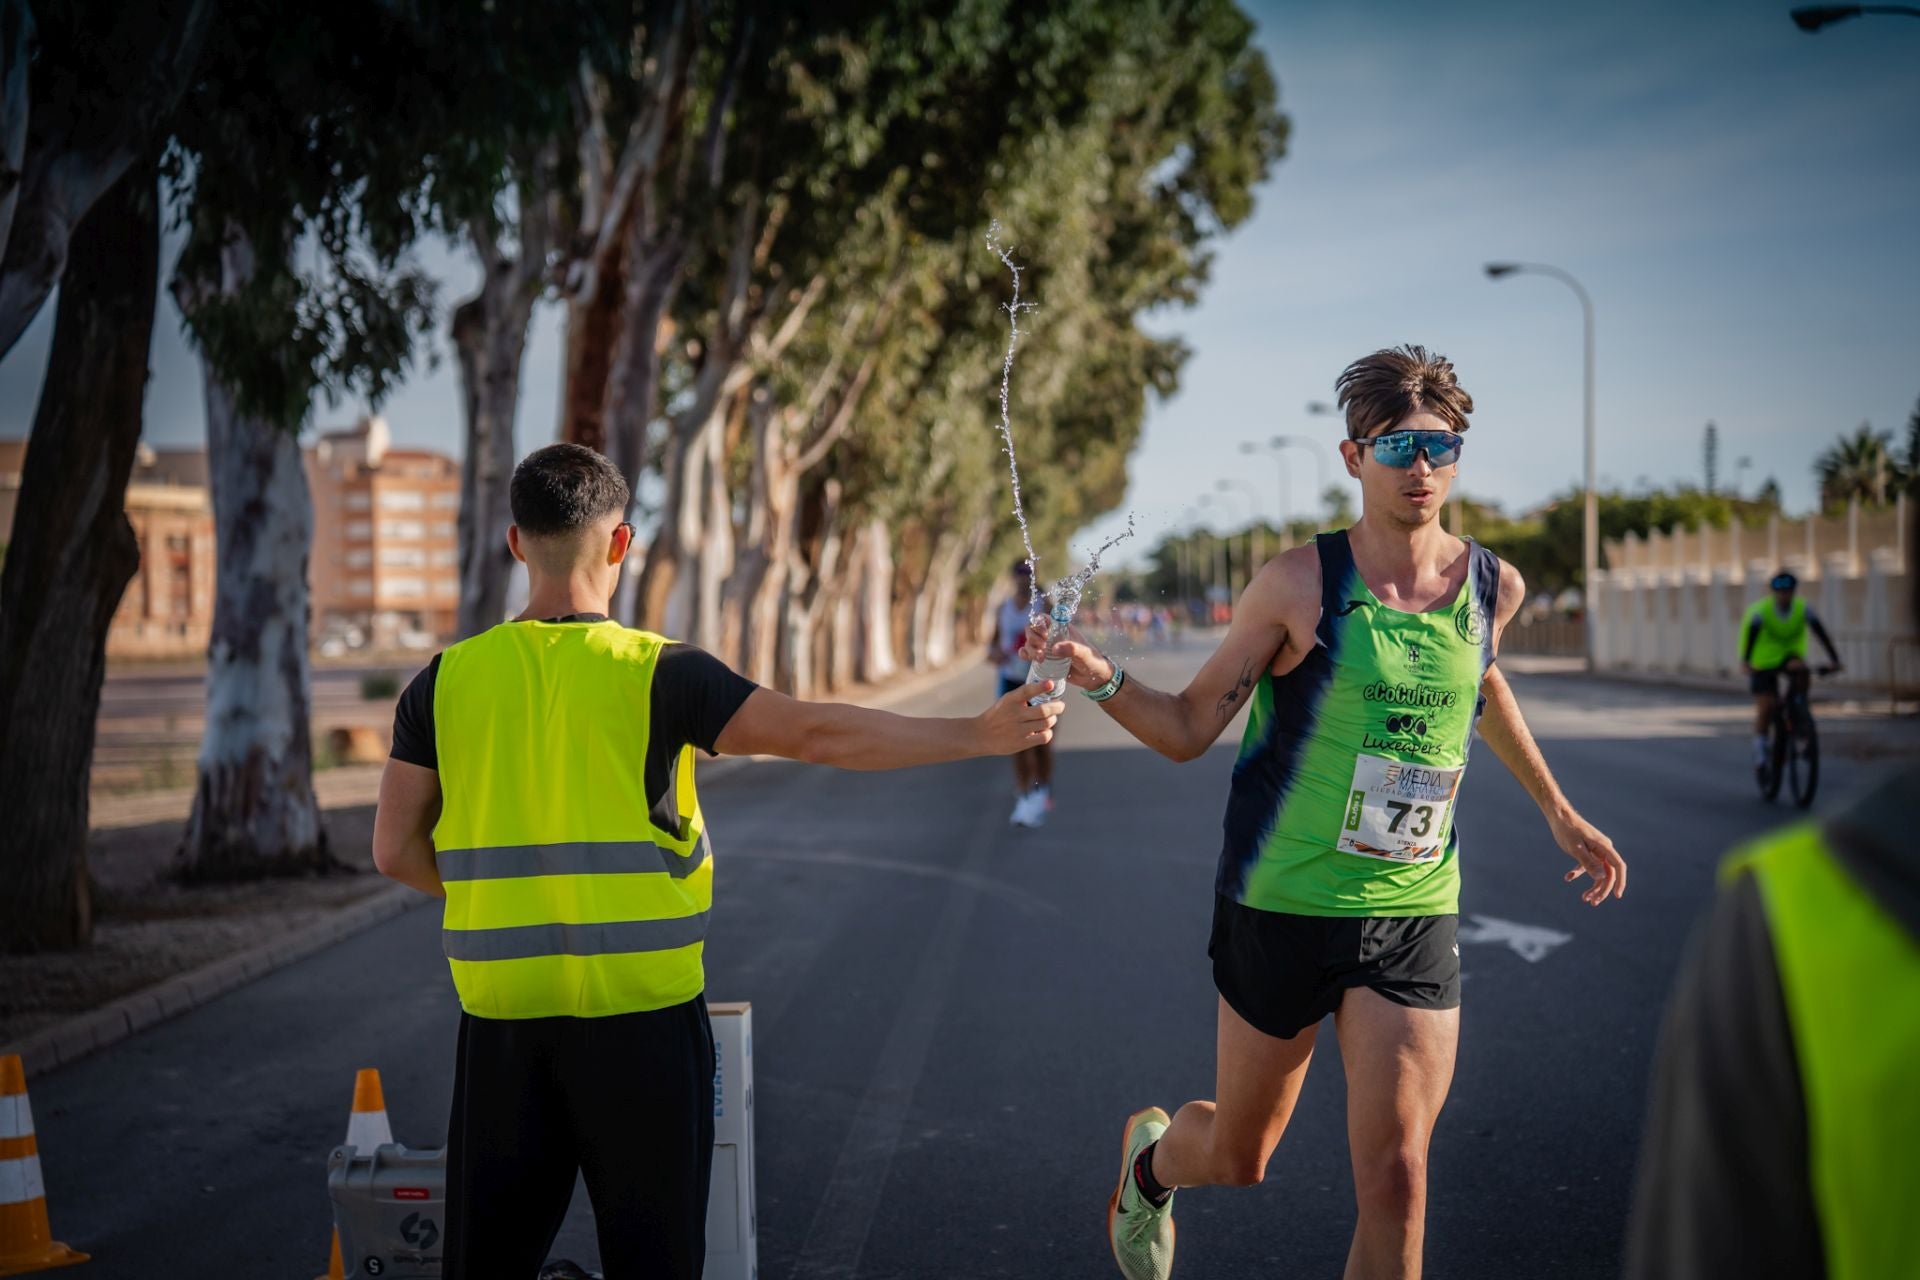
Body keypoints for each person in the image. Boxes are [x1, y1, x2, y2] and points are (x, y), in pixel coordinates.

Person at [371, 443, 1062, 1279]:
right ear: (621, 544)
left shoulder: (441, 684)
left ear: (517, 544)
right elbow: (817, 733)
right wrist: (978, 734)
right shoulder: (663, 675)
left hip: (503, 1033)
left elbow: (394, 849)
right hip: (647, 1031)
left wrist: (501, 899)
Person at [1026, 345, 1628, 1280]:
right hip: (1284, 902)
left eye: (1439, 445)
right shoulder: (1299, 587)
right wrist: (1102, 677)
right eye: (1397, 448)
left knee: (1399, 1176)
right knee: (1241, 1156)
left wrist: (1557, 808)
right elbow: (1189, 728)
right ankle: (1151, 1166)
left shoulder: (1489, 587)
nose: (1421, 467)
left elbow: (1482, 684)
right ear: (1354, 459)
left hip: (1412, 908)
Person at [1626, 519, 1919, 1279]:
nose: (1787, 594)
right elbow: (1751, 648)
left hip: (1791, 665)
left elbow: (1821, 645)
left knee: (1800, 699)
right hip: (1762, 668)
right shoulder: (1761, 617)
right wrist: (1763, 674)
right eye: (1782, 588)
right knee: (1769, 710)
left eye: (1792, 590)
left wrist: (1817, 668)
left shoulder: (1801, 614)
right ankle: (1766, 744)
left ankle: (1792, 729)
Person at [1740, 570, 1842, 769]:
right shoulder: (1762, 611)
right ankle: (1760, 746)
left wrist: (1834, 660)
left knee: (1802, 673)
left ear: (1794, 592)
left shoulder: (1802, 609)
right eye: (1780, 592)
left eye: (1788, 592)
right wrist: (1746, 662)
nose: (1784, 596)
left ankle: (1799, 712)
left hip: (1789, 657)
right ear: (1774, 592)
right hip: (1762, 659)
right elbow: (1750, 637)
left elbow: (1820, 633)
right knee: (1766, 706)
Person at [990, 559, 1055, 827]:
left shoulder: (1044, 606)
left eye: (1027, 573)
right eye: (1018, 573)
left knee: (1042, 742)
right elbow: (992, 645)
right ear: (1011, 576)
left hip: (1040, 682)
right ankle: (1024, 794)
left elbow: (1060, 641)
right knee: (1016, 742)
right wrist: (996, 654)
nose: (1022, 578)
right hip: (1010, 681)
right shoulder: (1002, 609)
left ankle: (1043, 791)